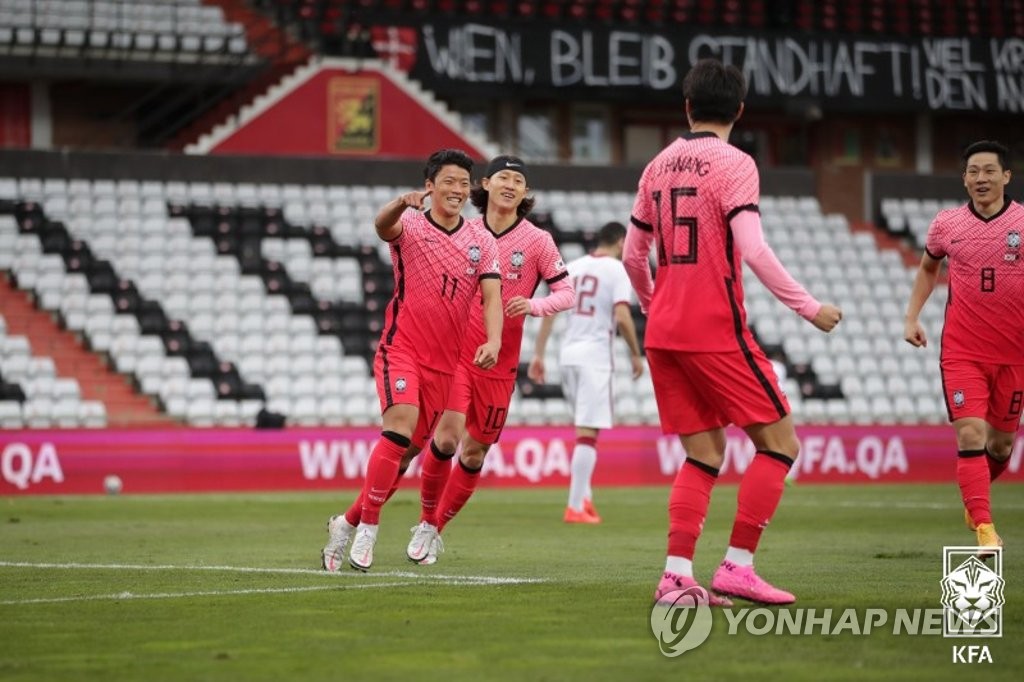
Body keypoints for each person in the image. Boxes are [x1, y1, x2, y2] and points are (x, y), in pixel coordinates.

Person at [622, 58, 842, 606]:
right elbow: (753, 248)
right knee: (781, 443)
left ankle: (675, 578)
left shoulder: (657, 165)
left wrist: (658, 305)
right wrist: (808, 307)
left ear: (687, 106)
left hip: (664, 333)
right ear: (739, 111)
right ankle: (738, 566)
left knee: (703, 455)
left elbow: (633, 255)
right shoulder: (736, 163)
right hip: (713, 326)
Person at [320, 148, 503, 572]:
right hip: (401, 349)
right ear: (430, 186)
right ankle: (368, 530)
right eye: (449, 181)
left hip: (446, 363)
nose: (457, 189)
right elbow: (381, 225)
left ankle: (344, 524)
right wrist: (400, 203)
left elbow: (492, 297)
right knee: (399, 429)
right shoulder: (412, 227)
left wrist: (493, 339)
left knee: (404, 456)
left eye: (463, 183)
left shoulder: (480, 240)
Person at [405, 155, 575, 564]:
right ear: (486, 184)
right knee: (446, 438)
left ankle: (435, 528)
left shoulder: (538, 241)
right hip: (459, 352)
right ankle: (426, 520)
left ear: (525, 192)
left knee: (474, 453)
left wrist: (534, 307)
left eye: (519, 180)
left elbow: (567, 292)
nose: (510, 185)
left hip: (501, 363)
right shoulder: (464, 230)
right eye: (503, 177)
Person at [904, 139, 1023, 554]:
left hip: (1014, 357)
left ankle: (976, 498)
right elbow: (927, 267)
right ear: (964, 178)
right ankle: (986, 529)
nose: (981, 179)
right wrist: (911, 317)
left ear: (1006, 176)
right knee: (971, 433)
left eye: (989, 171)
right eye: (973, 172)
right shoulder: (947, 224)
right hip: (962, 352)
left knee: (1001, 445)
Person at [528, 222, 643, 524]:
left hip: (568, 355)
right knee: (588, 434)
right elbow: (621, 314)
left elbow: (551, 310)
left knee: (584, 428)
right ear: (620, 242)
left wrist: (539, 354)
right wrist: (635, 353)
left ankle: (585, 499)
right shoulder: (617, 270)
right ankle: (575, 505)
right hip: (595, 357)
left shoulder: (574, 266)